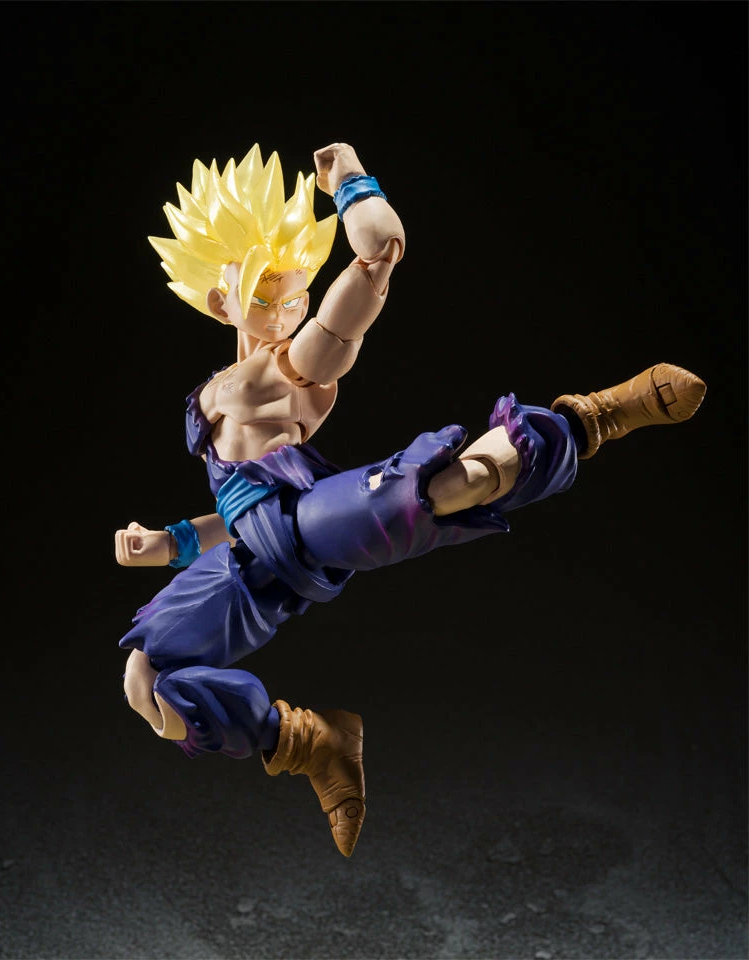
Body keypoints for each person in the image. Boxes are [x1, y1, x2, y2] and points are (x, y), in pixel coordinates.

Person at [115, 143, 706, 857]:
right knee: (147, 677)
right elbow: (243, 508)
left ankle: (592, 418)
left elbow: (358, 293)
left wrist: (356, 198)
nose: (289, 308)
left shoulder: (290, 371)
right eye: (270, 295)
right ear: (221, 299)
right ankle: (312, 743)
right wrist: (173, 543)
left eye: (297, 292)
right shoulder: (209, 398)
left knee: (445, 490)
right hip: (250, 560)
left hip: (310, 526)